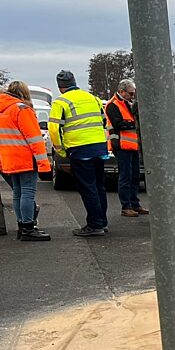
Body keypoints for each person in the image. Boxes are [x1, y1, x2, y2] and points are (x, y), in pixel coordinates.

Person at [50, 70, 110, 237]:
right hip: (99, 147)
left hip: (79, 148)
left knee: (87, 187)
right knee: (99, 186)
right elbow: (103, 120)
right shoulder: (93, 98)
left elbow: (54, 129)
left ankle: (95, 224)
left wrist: (60, 149)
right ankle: (102, 221)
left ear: (60, 87)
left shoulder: (60, 102)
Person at [0, 81, 51, 241]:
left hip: (9, 158)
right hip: (24, 157)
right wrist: (44, 164)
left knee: (18, 193)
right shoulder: (22, 109)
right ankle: (28, 227)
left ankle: (21, 225)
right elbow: (35, 139)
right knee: (28, 193)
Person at [106, 79, 146, 217]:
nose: (132, 96)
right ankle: (126, 206)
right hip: (122, 146)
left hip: (132, 145)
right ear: (122, 91)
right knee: (125, 176)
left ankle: (135, 204)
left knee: (135, 175)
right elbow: (118, 124)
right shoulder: (113, 105)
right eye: (130, 93)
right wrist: (133, 123)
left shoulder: (128, 103)